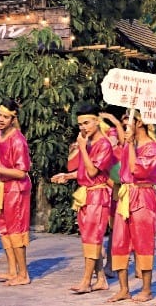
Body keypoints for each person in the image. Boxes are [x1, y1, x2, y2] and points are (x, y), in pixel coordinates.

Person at [51, 103, 115, 294]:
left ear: (97, 121)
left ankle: (86, 281)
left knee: (93, 240)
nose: (83, 128)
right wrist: (67, 175)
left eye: (86, 123)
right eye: (80, 124)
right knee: (88, 239)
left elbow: (93, 170)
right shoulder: (88, 143)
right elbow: (83, 171)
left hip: (98, 196)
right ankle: (101, 279)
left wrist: (82, 148)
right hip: (87, 194)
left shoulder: (103, 144)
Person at [108, 110, 156, 303]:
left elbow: (135, 169)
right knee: (119, 242)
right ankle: (124, 289)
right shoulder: (130, 145)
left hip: (143, 196)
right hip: (125, 196)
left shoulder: (151, 147)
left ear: (139, 123)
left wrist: (129, 145)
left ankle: (146, 289)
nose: (125, 128)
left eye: (128, 124)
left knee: (144, 242)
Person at [0, 99, 32, 286]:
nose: (1, 119)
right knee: (4, 229)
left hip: (17, 189)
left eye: (5, 116)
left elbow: (21, 172)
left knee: (16, 231)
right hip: (5, 188)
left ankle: (23, 274)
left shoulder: (18, 141)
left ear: (13, 119)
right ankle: (12, 270)